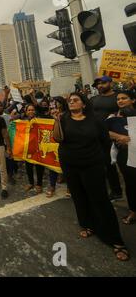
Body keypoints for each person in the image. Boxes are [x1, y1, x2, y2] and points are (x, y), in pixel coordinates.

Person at [53, 92, 130, 261]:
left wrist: (101, 161)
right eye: (69, 101)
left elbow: (104, 141)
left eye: (75, 100)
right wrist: (57, 121)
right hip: (70, 165)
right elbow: (58, 138)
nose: (71, 102)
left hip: (92, 165)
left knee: (100, 200)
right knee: (79, 196)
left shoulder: (95, 119)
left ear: (84, 104)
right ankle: (87, 225)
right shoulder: (63, 118)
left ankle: (116, 241)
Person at [91, 76, 123, 201]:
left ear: (110, 83)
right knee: (108, 165)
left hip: (117, 136)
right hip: (100, 137)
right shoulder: (94, 99)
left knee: (125, 165)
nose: (100, 85)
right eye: (98, 84)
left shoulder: (119, 97)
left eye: (103, 83)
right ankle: (116, 191)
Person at [106, 90, 136, 225]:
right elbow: (103, 131)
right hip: (124, 156)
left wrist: (130, 140)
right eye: (118, 99)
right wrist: (119, 137)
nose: (120, 101)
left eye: (124, 98)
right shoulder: (112, 117)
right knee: (130, 183)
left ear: (133, 100)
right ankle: (133, 211)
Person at [20, 104, 46, 194]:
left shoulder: (40, 120)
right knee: (28, 166)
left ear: (35, 111)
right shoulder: (23, 122)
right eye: (29, 110)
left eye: (32, 110)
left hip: (38, 147)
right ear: (26, 112)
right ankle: (31, 183)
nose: (31, 111)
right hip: (28, 148)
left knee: (39, 166)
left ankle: (39, 184)